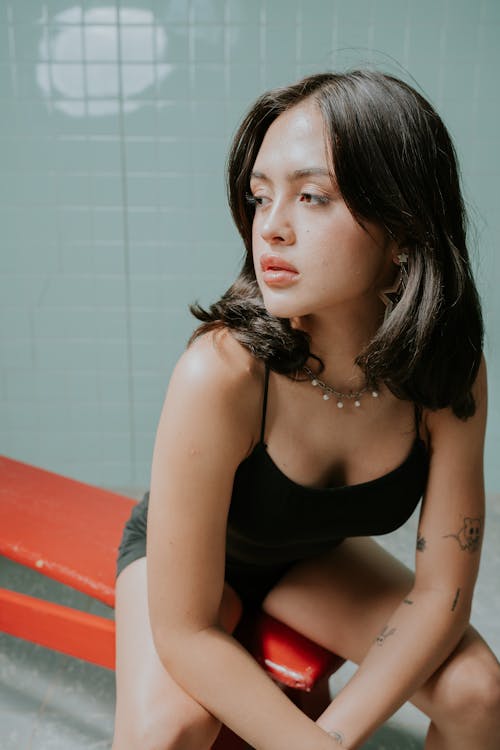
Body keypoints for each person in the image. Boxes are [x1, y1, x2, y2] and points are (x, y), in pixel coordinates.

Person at [112, 70, 500, 750]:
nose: (272, 229)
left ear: (404, 225)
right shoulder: (222, 373)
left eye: (312, 196)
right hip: (192, 565)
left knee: (478, 691)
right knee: (172, 726)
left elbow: (442, 592)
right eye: (261, 198)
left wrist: (339, 732)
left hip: (311, 560)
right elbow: (184, 628)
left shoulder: (447, 373)